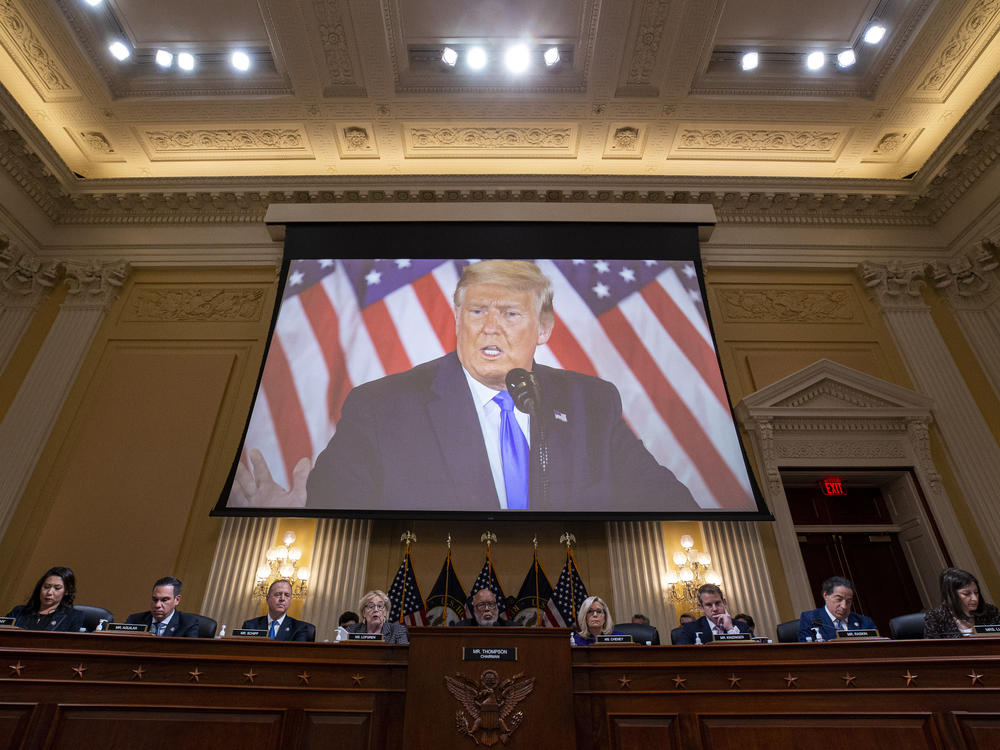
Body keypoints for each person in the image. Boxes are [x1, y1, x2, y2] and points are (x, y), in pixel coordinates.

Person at [239, 259, 697, 512]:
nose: (490, 329)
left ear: (544, 328)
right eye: (477, 311)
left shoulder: (589, 402)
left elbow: (672, 504)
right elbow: (338, 506)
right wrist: (297, 519)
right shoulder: (380, 406)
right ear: (457, 318)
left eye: (511, 314)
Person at [924, 567, 1000, 638]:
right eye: (966, 594)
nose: (975, 598)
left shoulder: (990, 611)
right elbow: (932, 650)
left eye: (976, 592)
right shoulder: (935, 618)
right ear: (951, 595)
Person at [797, 576, 876, 642]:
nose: (844, 606)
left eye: (848, 601)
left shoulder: (865, 622)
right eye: (839, 599)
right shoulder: (810, 618)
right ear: (826, 596)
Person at [6, 566, 85, 632]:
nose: (49, 592)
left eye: (57, 588)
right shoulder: (18, 612)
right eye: (46, 587)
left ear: (67, 591)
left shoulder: (73, 617)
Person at [241, 579, 315, 641]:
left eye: (287, 595)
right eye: (278, 594)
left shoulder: (302, 628)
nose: (282, 599)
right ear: (267, 599)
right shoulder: (250, 626)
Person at [125, 576, 200, 637]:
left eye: (164, 600)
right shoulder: (134, 620)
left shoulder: (188, 623)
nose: (157, 605)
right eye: (155, 599)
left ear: (177, 600)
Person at [675, 584, 750, 644]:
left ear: (724, 603)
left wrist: (730, 629)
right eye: (709, 605)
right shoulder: (690, 628)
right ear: (701, 607)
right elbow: (682, 656)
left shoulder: (742, 626)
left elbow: (751, 652)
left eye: (718, 603)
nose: (715, 609)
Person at [342, 590, 408, 644]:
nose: (376, 610)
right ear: (363, 613)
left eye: (380, 606)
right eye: (371, 606)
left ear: (385, 612)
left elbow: (403, 657)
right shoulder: (351, 631)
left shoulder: (398, 631)